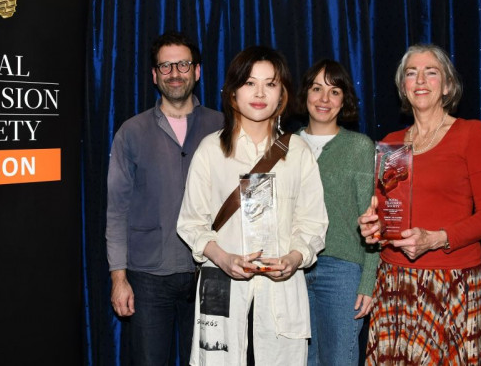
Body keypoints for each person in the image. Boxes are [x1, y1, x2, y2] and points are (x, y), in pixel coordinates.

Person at [177, 46, 328, 365]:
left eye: (270, 84)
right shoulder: (211, 150)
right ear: (232, 93)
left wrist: (293, 258)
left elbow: (313, 224)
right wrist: (223, 257)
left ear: (282, 94)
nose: (260, 92)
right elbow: (191, 223)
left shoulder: (298, 152)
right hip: (222, 288)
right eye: (249, 83)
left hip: (280, 297)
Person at [358, 44, 481, 364]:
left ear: (447, 85)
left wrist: (436, 238)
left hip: (449, 283)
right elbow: (389, 216)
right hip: (393, 282)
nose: (420, 79)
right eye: (411, 73)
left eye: (431, 72)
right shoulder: (392, 143)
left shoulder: (471, 134)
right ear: (403, 87)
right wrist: (373, 227)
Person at [105, 31, 223, 366]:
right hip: (148, 278)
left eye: (183, 64)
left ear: (197, 71)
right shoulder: (132, 131)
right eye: (166, 66)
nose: (175, 73)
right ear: (155, 75)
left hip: (211, 274)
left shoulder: (222, 127)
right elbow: (117, 210)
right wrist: (119, 278)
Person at [293, 59, 378, 365]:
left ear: (344, 100)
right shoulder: (284, 146)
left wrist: (368, 282)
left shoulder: (360, 147)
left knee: (339, 359)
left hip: (342, 271)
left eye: (334, 91)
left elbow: (372, 220)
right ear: (305, 94)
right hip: (292, 272)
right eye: (317, 89)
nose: (324, 99)